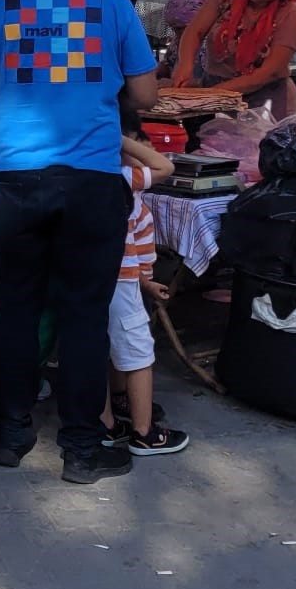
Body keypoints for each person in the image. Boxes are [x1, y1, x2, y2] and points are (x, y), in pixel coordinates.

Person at [0, 0, 159, 484]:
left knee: (17, 307)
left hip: (17, 178)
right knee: (84, 314)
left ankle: (11, 435)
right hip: (93, 180)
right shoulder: (113, 5)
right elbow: (145, 98)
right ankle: (80, 449)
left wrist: (18, 82)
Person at [99, 118, 188, 458]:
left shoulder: (92, 176)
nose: (149, 151)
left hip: (99, 280)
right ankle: (144, 431)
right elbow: (165, 166)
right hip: (119, 284)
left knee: (100, 346)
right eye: (142, 144)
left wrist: (147, 283)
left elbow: (138, 249)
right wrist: (119, 139)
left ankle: (107, 422)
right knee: (138, 354)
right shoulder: (123, 178)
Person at [170, 0, 296, 119]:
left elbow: (267, 73)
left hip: (265, 97)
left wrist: (209, 95)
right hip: (215, 84)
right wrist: (185, 65)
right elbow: (195, 30)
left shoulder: (291, 13)